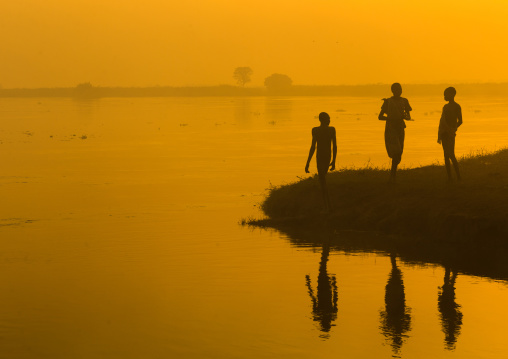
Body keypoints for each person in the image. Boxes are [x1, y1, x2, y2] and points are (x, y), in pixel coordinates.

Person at [378, 83, 412, 182]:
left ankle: (393, 175)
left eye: (400, 89)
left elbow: (408, 116)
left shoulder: (404, 101)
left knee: (400, 152)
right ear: (392, 91)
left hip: (400, 128)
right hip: (391, 128)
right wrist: (391, 118)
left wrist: (405, 117)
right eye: (396, 89)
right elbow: (380, 117)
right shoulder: (388, 102)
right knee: (396, 152)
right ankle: (393, 175)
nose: (399, 91)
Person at [305, 112, 337, 212]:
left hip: (321, 157)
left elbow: (312, 147)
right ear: (323, 119)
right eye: (328, 118)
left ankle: (327, 206)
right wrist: (333, 161)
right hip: (326, 157)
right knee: (322, 180)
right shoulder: (331, 130)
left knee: (322, 180)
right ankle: (327, 206)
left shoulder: (316, 130)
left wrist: (308, 163)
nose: (330, 120)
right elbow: (334, 146)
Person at [438, 87, 462, 181]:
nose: (444, 96)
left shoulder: (457, 106)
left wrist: (453, 129)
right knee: (446, 156)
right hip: (444, 133)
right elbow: (442, 121)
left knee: (451, 154)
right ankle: (450, 178)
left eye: (446, 94)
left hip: (451, 133)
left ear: (452, 94)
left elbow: (460, 121)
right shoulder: (445, 107)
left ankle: (459, 177)